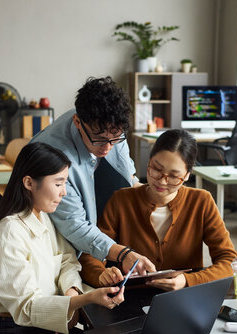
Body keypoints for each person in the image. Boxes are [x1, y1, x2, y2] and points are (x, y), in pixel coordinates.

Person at [0, 142, 125, 334]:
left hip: (41, 327)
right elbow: (26, 308)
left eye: (65, 183)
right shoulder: (9, 232)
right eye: (58, 183)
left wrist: (71, 292)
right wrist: (83, 300)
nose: (64, 192)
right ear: (29, 182)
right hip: (7, 333)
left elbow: (67, 260)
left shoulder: (43, 216)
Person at [79, 129, 237, 291]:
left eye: (174, 176)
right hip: (130, 299)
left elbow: (230, 262)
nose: (162, 181)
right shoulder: (121, 200)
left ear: (188, 175)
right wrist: (102, 274)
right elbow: (90, 255)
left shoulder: (201, 201)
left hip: (185, 298)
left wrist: (187, 280)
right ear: (149, 161)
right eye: (156, 169)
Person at [31, 76, 156, 275]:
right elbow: (75, 226)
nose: (107, 147)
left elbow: (127, 174)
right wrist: (122, 254)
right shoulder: (53, 157)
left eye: (115, 139)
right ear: (78, 122)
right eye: (99, 139)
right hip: (64, 240)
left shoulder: (111, 124)